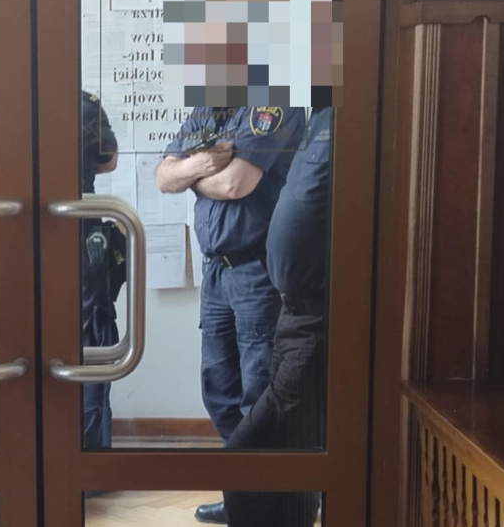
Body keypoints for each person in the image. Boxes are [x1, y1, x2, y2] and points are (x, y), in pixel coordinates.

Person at [154, 105, 303, 524]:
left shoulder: (273, 104)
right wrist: (202, 165)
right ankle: (243, 498)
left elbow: (236, 183)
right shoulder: (207, 110)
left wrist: (188, 175)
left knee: (258, 396)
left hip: (257, 271)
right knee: (219, 391)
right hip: (216, 273)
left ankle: (270, 509)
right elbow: (163, 177)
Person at [219, 106, 331, 527]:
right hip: (292, 314)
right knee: (291, 449)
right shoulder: (321, 118)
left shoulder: (355, 120)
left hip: (318, 319)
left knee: (249, 450)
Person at [79, 90, 120, 450]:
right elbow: (108, 162)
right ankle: (88, 459)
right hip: (78, 240)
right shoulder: (84, 105)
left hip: (13, 240)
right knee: (88, 347)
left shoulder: (0, 104)